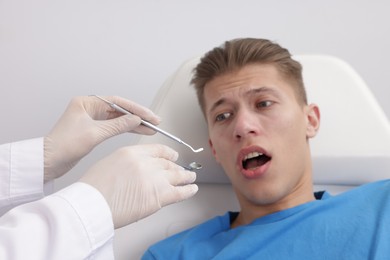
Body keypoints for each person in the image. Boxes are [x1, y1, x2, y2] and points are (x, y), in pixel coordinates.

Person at [142, 38, 390, 259]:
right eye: (223, 115)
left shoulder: (383, 207)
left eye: (264, 103)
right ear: (214, 148)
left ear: (310, 121)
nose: (242, 126)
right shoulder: (173, 255)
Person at [0, 95, 198, 259]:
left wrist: (39, 161)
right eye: (222, 116)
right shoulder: (167, 254)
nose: (231, 131)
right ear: (212, 145)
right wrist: (91, 206)